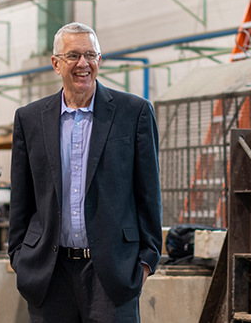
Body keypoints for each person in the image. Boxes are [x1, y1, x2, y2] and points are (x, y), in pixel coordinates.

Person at [8, 22, 162, 322]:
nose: (83, 63)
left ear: (99, 60)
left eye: (90, 55)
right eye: (73, 55)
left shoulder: (134, 113)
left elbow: (149, 193)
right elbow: (21, 198)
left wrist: (146, 261)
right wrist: (19, 255)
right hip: (49, 274)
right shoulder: (30, 119)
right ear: (56, 64)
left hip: (112, 276)